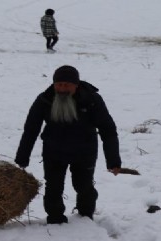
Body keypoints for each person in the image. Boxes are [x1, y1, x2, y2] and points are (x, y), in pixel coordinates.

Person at [15, 65, 121, 224]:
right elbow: (31, 129)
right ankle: (55, 218)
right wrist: (23, 156)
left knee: (84, 186)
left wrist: (113, 161)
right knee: (53, 187)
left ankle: (85, 216)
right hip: (53, 151)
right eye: (59, 84)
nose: (62, 89)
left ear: (76, 85)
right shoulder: (44, 99)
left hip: (84, 151)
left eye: (67, 85)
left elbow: (108, 130)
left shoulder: (92, 99)